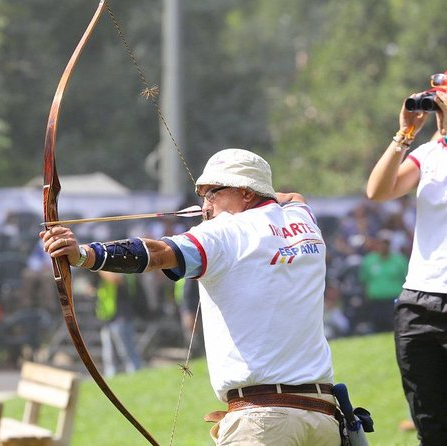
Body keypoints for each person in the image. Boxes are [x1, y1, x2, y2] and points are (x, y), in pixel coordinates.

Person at [41, 148, 340, 445]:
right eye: (202, 195)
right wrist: (265, 195)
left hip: (264, 422)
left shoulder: (225, 231)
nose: (205, 205)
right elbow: (293, 197)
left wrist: (83, 254)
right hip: (324, 417)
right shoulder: (304, 223)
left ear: (246, 193)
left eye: (213, 193)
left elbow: (155, 254)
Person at [367, 75, 447, 445]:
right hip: (418, 302)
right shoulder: (429, 154)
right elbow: (378, 191)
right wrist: (404, 134)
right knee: (430, 425)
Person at [358, 230, 408, 333]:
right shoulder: (369, 260)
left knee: (394, 328)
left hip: (393, 300)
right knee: (376, 327)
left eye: (386, 243)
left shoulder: (399, 260)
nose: (384, 246)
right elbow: (364, 280)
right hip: (375, 301)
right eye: (381, 243)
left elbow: (406, 280)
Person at [96, 270, 144, 377]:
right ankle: (111, 378)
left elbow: (115, 278)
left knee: (127, 351)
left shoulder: (124, 269)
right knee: (109, 355)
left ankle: (136, 374)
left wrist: (95, 266)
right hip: (108, 317)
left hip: (122, 317)